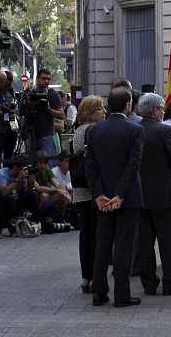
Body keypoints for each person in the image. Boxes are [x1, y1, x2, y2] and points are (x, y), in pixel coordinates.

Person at [85, 87, 144, 308]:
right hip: (127, 198)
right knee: (124, 246)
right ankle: (122, 294)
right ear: (128, 104)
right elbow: (133, 165)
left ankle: (99, 292)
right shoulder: (135, 130)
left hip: (102, 199)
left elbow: (91, 166)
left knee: (103, 245)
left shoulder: (94, 131)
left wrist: (100, 195)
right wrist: (120, 195)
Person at [137, 93, 171, 296]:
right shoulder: (165, 131)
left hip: (140, 195)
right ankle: (170, 282)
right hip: (164, 194)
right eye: (162, 108)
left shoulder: (134, 130)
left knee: (145, 243)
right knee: (168, 242)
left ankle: (149, 283)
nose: (164, 111)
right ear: (155, 109)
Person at [72, 94, 106, 294]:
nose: (104, 112)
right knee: (96, 234)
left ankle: (85, 277)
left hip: (79, 190)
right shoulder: (93, 131)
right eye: (101, 108)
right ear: (92, 112)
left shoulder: (77, 131)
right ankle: (94, 276)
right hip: (93, 190)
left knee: (85, 235)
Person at [21, 68, 64, 164]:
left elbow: (62, 115)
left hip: (46, 134)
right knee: (30, 164)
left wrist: (49, 109)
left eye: (48, 79)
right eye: (43, 78)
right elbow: (22, 111)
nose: (46, 81)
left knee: (48, 165)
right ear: (37, 78)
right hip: (31, 133)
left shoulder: (52, 94)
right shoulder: (30, 94)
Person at [0, 154, 40, 233]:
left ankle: (24, 221)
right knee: (10, 198)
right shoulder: (1, 173)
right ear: (15, 166)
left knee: (33, 195)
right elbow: (4, 192)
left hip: (16, 202)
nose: (23, 171)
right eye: (22, 168)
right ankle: (2, 225)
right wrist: (18, 178)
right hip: (2, 203)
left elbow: (25, 191)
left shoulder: (22, 175)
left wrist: (31, 182)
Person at [0, 69, 18, 163]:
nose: (6, 87)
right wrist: (0, 107)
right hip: (0, 127)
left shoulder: (9, 93)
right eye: (5, 85)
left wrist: (14, 107)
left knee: (9, 153)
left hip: (10, 124)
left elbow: (14, 108)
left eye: (9, 85)